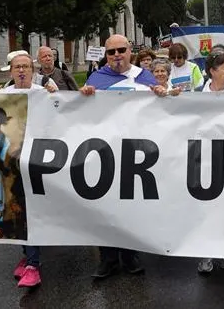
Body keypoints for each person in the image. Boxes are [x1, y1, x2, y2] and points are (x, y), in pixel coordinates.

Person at [80, 35, 168, 279]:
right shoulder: (96, 79)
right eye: (111, 52)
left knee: (131, 206)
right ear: (106, 56)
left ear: (130, 51)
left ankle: (130, 256)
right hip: (105, 152)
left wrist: (162, 95)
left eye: (121, 50)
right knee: (103, 207)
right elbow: (82, 115)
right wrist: (82, 97)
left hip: (136, 154)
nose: (116, 55)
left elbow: (162, 112)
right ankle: (108, 259)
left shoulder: (145, 77)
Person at [0, 51, 54, 288]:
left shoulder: (43, 94)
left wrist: (56, 97)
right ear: (11, 71)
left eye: (26, 67)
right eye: (17, 67)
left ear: (33, 71)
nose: (21, 71)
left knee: (32, 209)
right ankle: (28, 256)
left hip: (37, 161)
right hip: (11, 162)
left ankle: (33, 263)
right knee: (18, 209)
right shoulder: (2, 95)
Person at [196, 50, 224, 273]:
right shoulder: (195, 95)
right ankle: (206, 255)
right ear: (212, 71)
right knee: (206, 209)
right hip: (203, 159)